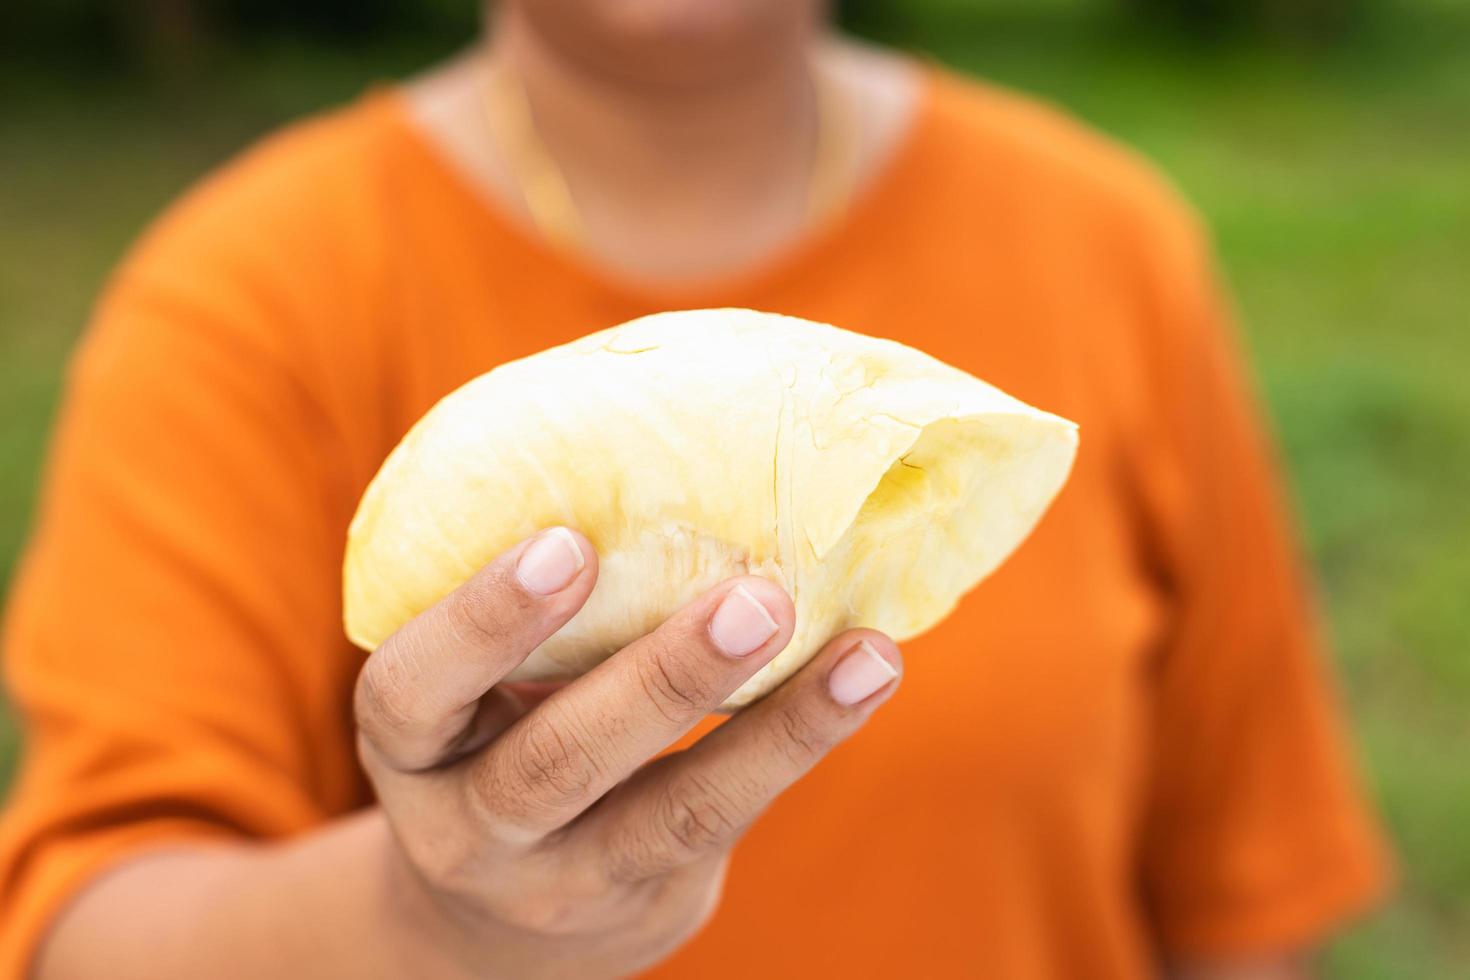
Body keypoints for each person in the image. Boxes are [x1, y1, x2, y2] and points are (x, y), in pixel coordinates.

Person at [0, 1, 1391, 977]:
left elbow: (1243, 898)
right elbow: (88, 928)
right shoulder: (250, 298)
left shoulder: (1104, 247)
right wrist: (433, 929)